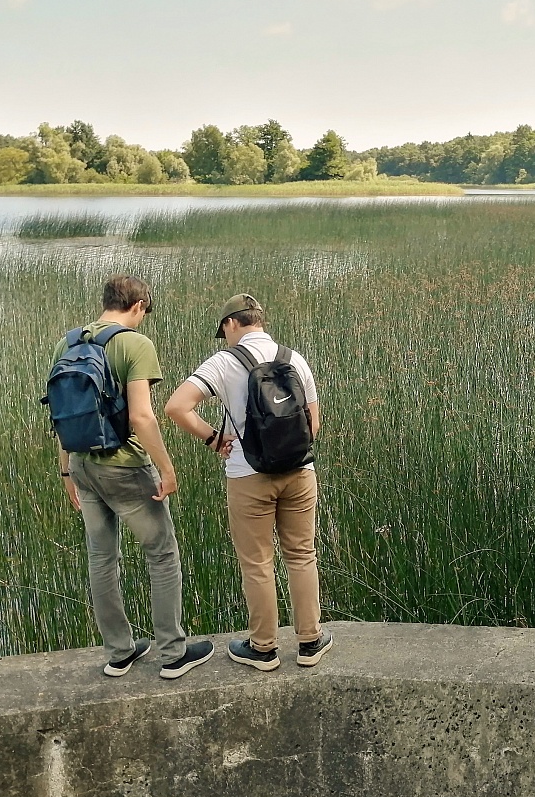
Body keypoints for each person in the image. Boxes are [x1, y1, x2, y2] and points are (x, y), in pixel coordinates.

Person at [54, 274, 214, 680]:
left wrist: (66, 471)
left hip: (82, 466)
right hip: (124, 466)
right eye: (146, 311)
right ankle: (174, 653)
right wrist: (166, 466)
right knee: (161, 554)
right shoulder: (135, 344)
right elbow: (142, 415)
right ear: (139, 306)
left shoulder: (67, 343)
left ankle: (119, 652)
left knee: (101, 557)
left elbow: (61, 414)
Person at [164, 294, 329, 672]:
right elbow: (313, 424)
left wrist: (212, 438)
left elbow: (176, 406)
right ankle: (310, 642)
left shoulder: (224, 362)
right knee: (302, 555)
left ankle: (264, 649)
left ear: (230, 324)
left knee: (257, 563)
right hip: (300, 472)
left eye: (223, 331)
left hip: (247, 475)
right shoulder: (294, 358)